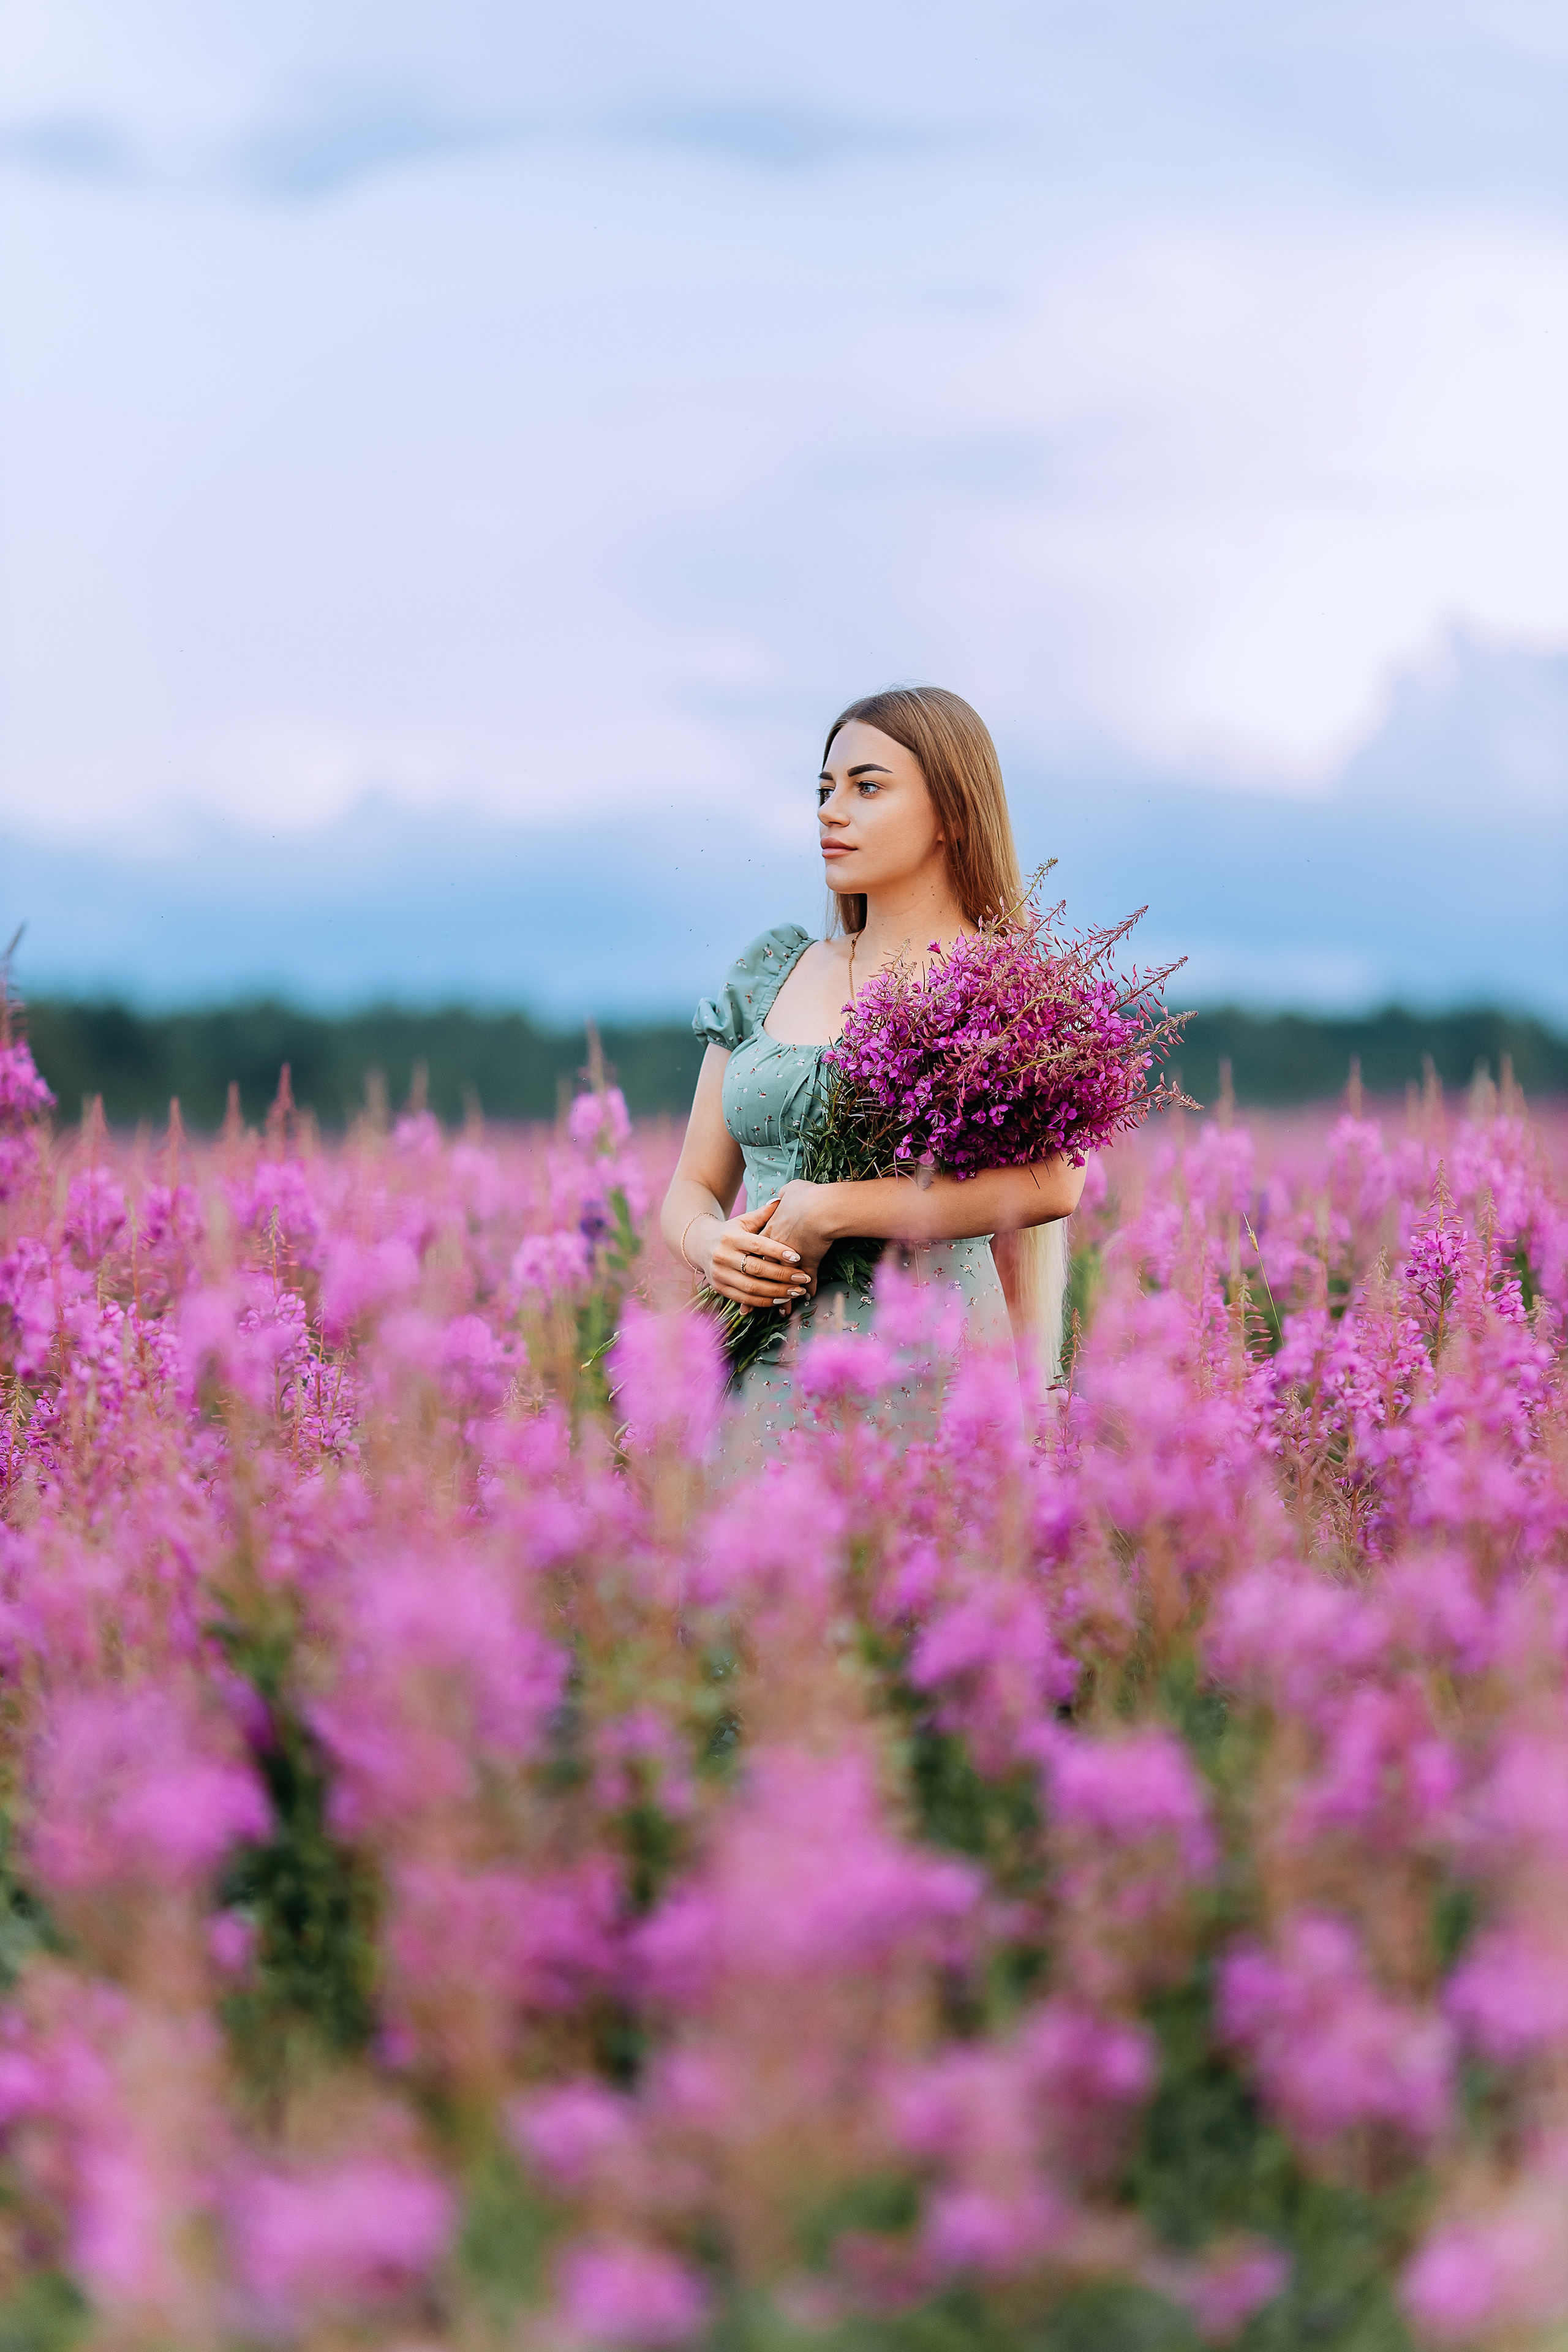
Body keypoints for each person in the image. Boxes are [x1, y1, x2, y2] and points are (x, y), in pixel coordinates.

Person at [660, 686, 1085, 1451]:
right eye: (824, 790)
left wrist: (831, 1210)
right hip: (760, 1370)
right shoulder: (770, 971)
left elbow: (1054, 1183)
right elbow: (693, 1185)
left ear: (952, 814)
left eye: (866, 787)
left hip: (936, 1376)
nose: (829, 811)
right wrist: (707, 1244)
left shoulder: (1002, 988)